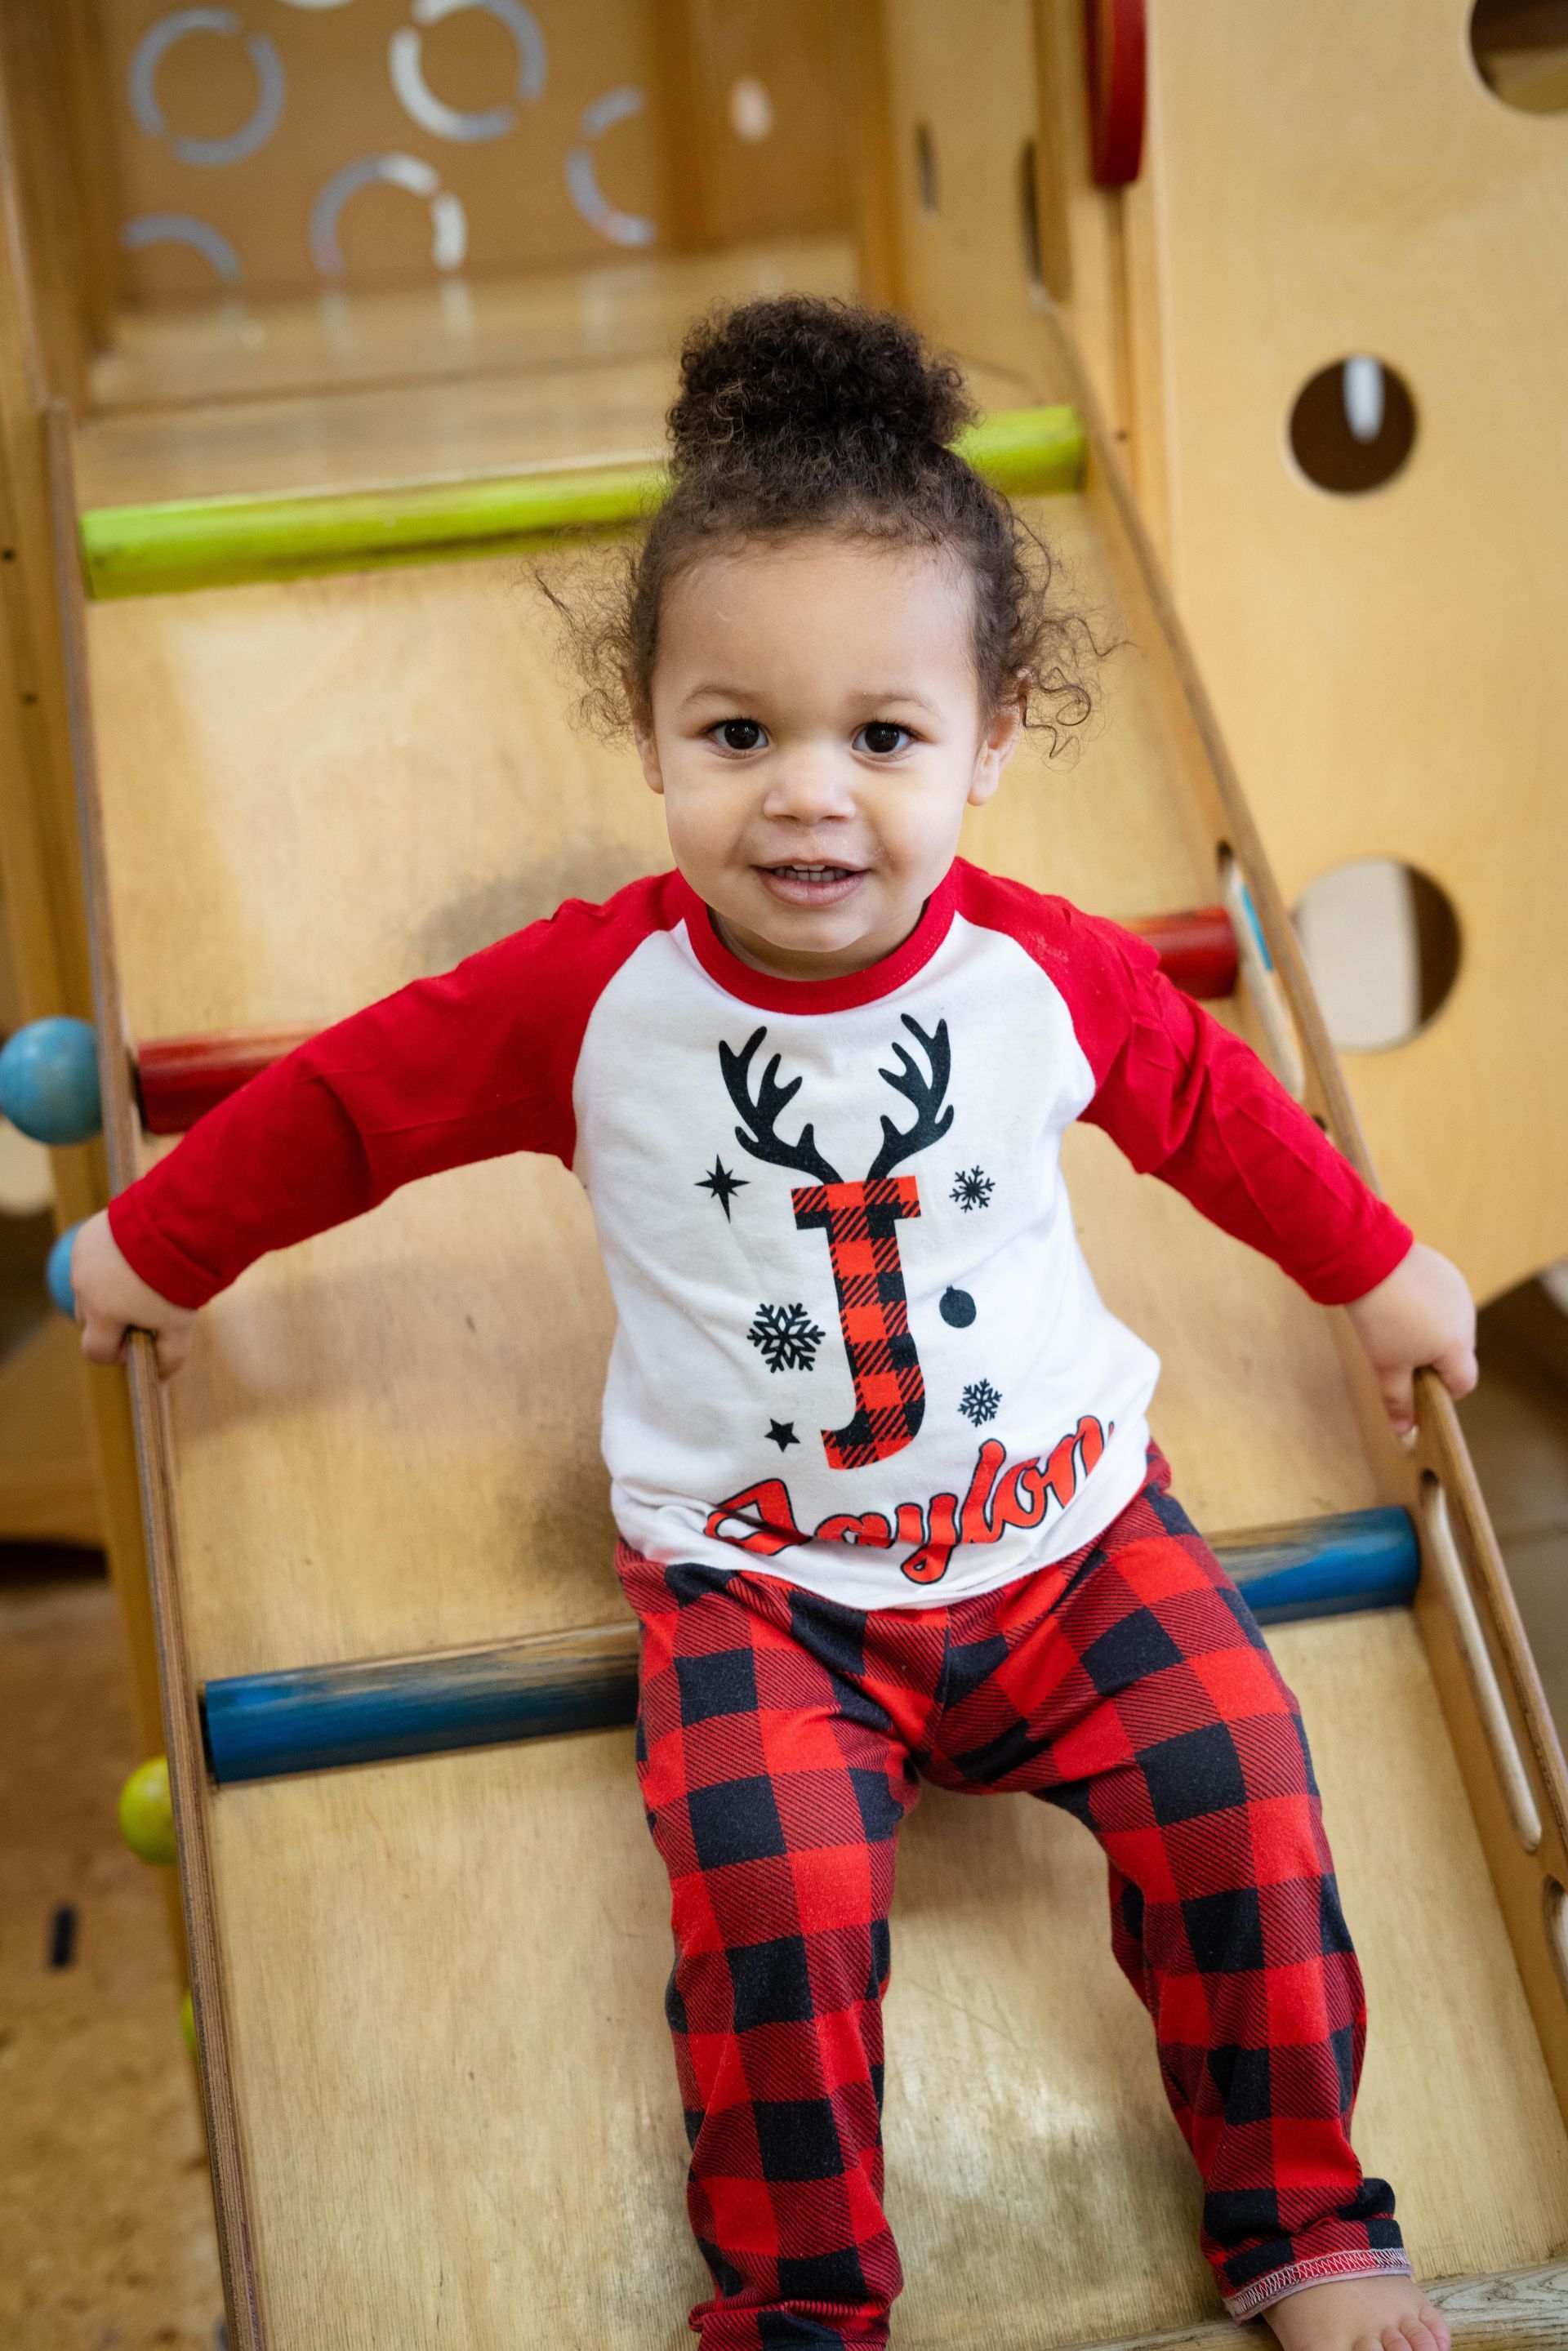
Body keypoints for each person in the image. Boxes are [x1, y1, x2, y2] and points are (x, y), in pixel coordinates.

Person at [69, 298, 1474, 2351]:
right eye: (738, 735)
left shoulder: (1044, 973)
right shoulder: (587, 1001)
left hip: (1082, 1542)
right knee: (767, 1901)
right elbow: (351, 1107)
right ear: (650, 734)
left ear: (991, 741)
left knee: (1247, 1782)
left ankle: (1306, 2227)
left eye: (882, 739)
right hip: (768, 1599)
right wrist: (156, 1247)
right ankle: (802, 2305)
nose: (807, 800)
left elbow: (1214, 1114)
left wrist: (1378, 1269)